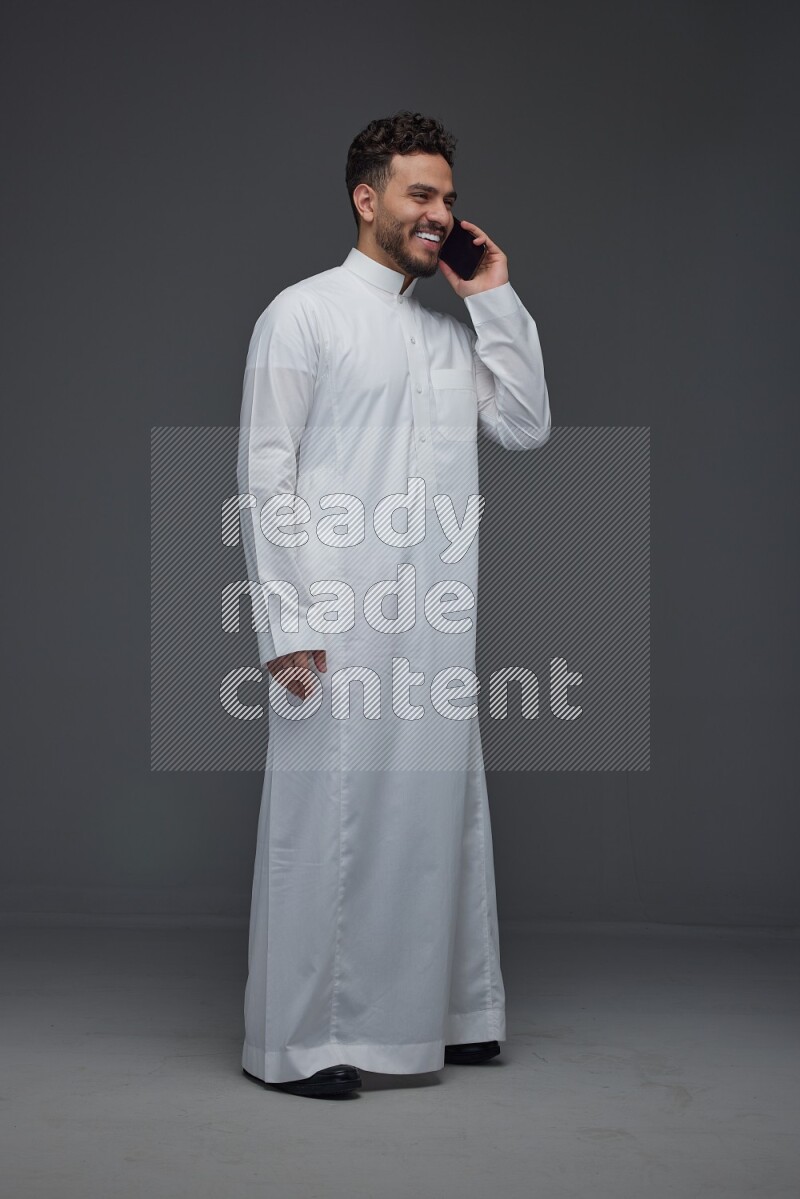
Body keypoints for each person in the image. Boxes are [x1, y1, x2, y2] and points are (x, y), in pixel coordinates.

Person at [237, 110, 551, 1099]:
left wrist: (493, 299)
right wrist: (286, 628)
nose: (439, 214)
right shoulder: (303, 313)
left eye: (448, 198)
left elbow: (526, 425)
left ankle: (452, 1015)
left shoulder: (444, 332)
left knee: (436, 816)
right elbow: (264, 475)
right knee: (324, 823)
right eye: (421, 194)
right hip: (335, 620)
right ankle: (296, 1042)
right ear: (365, 198)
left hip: (434, 616)